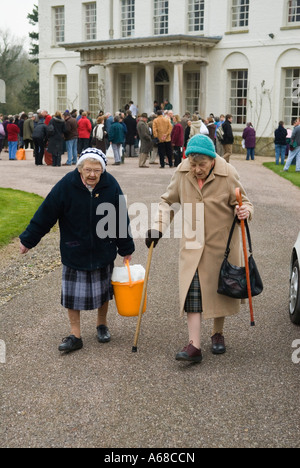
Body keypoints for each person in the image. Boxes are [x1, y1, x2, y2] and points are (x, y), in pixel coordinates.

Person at [145, 134, 253, 363]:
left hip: (221, 244)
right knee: (192, 294)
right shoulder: (183, 172)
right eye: (193, 164)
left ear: (212, 160)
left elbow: (244, 202)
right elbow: (167, 201)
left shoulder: (228, 173)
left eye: (201, 165)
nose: (196, 169)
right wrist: (157, 228)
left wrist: (244, 211)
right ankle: (194, 346)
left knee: (220, 290)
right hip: (193, 244)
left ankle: (217, 333)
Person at [19, 147, 135, 353]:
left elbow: (120, 219)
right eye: (88, 170)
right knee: (72, 295)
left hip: (103, 248)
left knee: (103, 293)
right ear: (80, 169)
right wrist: (29, 239)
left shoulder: (111, 185)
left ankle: (102, 325)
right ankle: (75, 335)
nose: (92, 175)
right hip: (75, 248)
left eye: (97, 170)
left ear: (103, 170)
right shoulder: (66, 185)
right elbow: (46, 213)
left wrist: (126, 247)